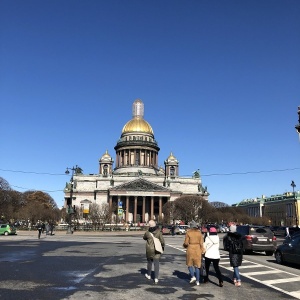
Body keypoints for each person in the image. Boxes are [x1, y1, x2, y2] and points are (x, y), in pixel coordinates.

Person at [183, 220, 205, 286]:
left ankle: (193, 276)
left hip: (190, 248)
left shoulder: (188, 233)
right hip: (198, 249)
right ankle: (198, 281)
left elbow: (186, 243)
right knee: (197, 266)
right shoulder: (199, 233)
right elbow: (201, 243)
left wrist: (184, 245)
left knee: (189, 264)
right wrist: (202, 250)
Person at [143, 220, 165, 284]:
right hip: (157, 250)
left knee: (149, 262)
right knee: (156, 263)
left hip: (149, 249)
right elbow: (162, 242)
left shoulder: (147, 233)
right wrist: (162, 247)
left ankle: (149, 275)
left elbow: (144, 238)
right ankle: (156, 278)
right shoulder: (159, 232)